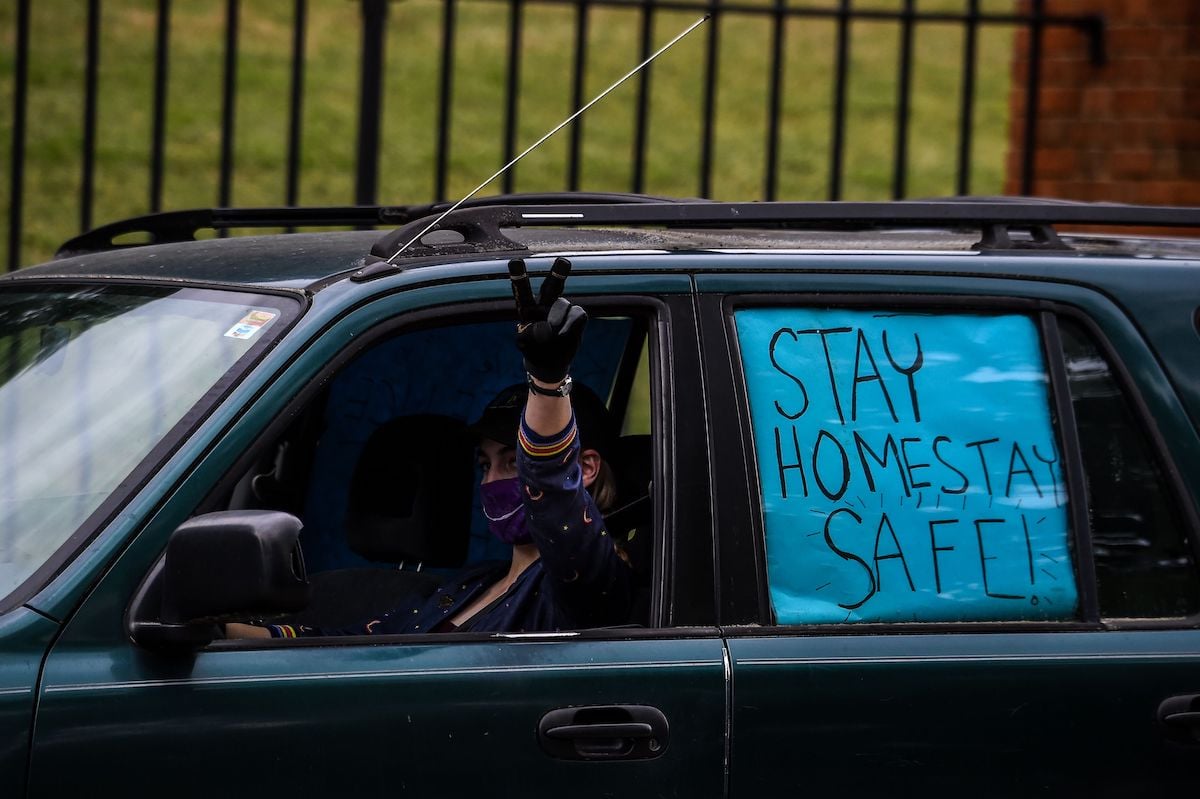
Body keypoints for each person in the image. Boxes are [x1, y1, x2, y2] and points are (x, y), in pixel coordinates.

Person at [226, 257, 632, 638]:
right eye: (484, 465)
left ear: (587, 468)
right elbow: (355, 649)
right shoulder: (470, 585)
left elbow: (554, 488)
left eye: (512, 462)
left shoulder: (590, 579)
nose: (491, 481)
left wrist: (547, 382)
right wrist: (218, 633)